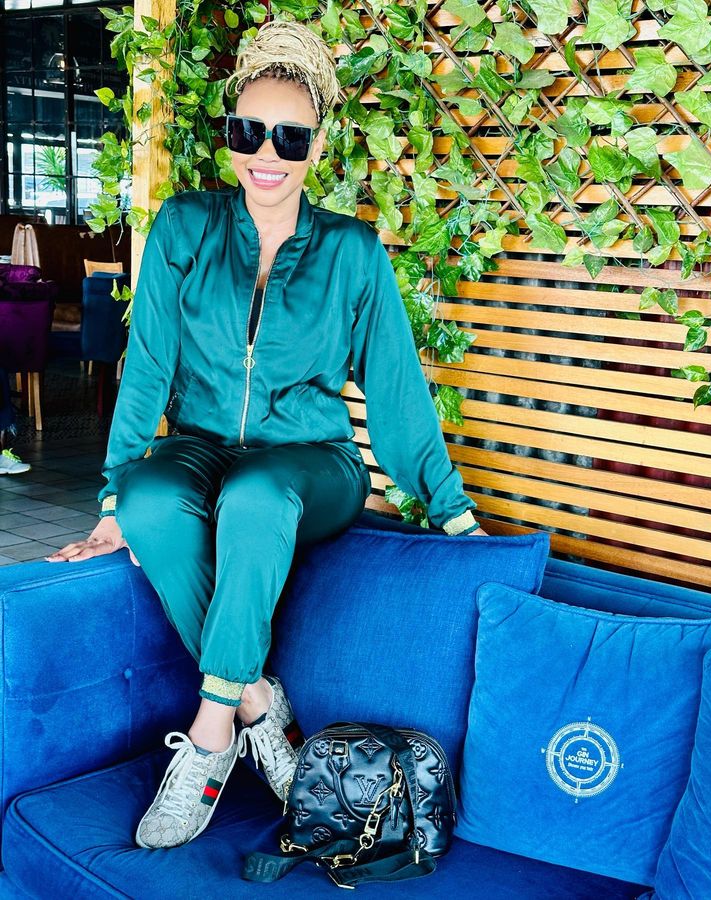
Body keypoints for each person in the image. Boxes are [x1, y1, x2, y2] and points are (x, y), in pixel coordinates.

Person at [46, 20, 487, 851]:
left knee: (254, 494)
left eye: (290, 136)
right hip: (200, 448)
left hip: (312, 464)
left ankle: (210, 736)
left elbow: (395, 391)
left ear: (317, 144)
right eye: (249, 132)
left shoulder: (351, 251)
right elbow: (148, 369)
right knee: (150, 499)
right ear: (230, 134)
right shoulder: (185, 227)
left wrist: (452, 512)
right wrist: (111, 499)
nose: (266, 154)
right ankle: (257, 703)